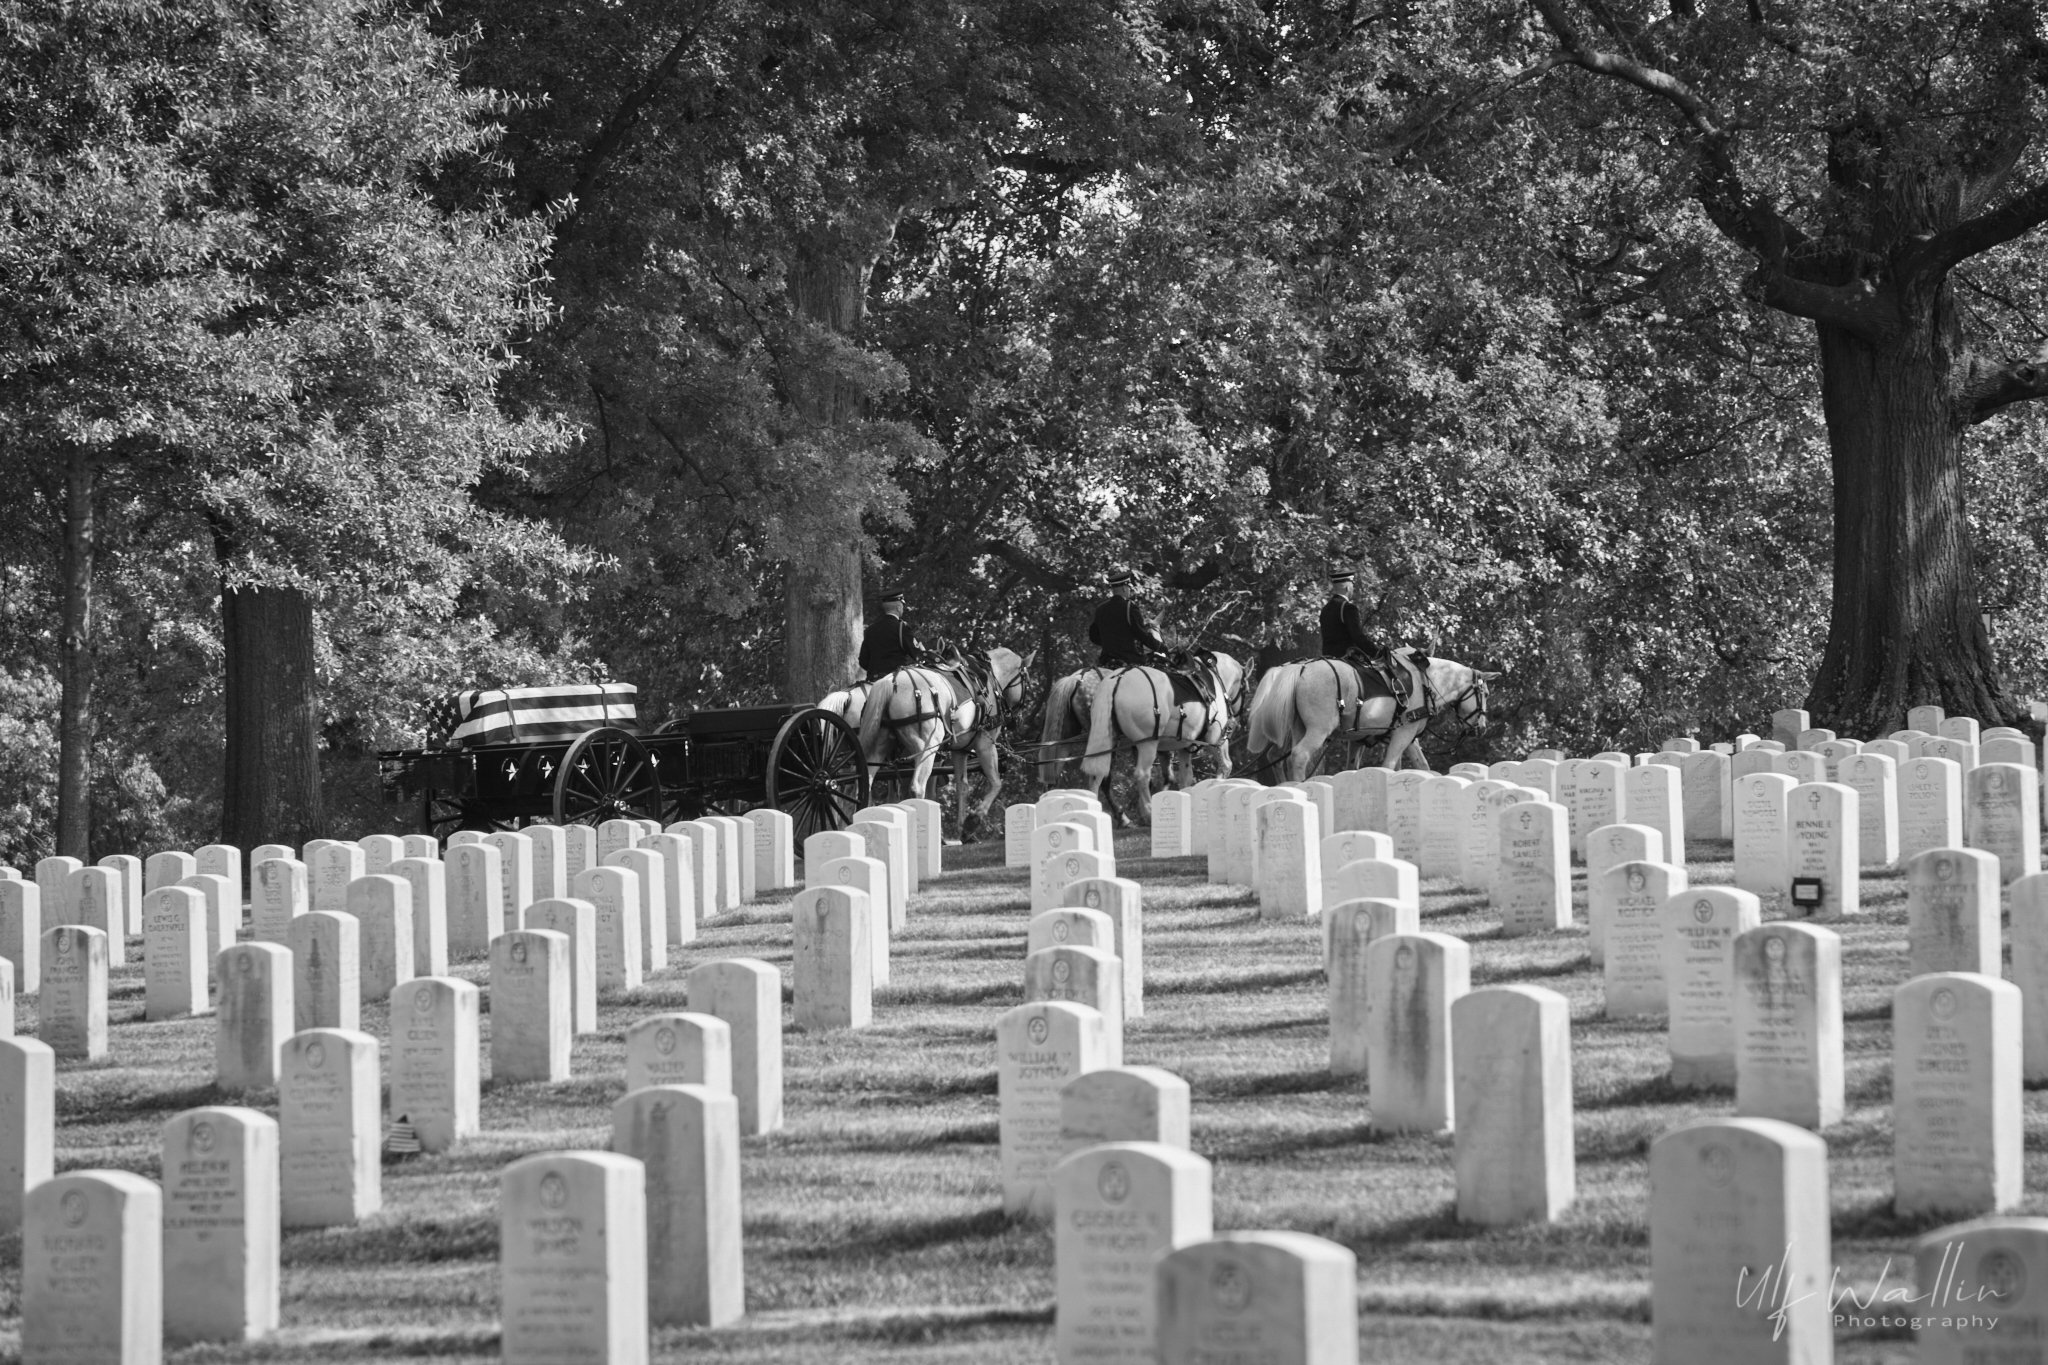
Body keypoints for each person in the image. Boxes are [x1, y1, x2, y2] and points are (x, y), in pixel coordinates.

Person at [1088, 570, 1165, 668]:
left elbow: (1093, 636)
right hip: (1129, 659)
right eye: (1129, 587)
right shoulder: (1129, 607)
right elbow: (1141, 634)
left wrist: (1109, 643)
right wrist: (1160, 647)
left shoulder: (1100, 609)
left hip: (1106, 661)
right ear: (1125, 588)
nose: (1130, 590)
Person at [858, 587, 922, 679]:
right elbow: (917, 655)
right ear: (898, 608)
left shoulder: (870, 629)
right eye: (902, 606)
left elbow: (863, 661)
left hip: (873, 681)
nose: (903, 609)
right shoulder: (901, 627)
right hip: (896, 680)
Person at [1318, 568, 1379, 662]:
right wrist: (1376, 652)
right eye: (1352, 586)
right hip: (1346, 659)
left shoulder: (1325, 609)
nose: (1353, 589)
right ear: (1348, 588)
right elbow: (1358, 637)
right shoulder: (1348, 607)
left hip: (1327, 658)